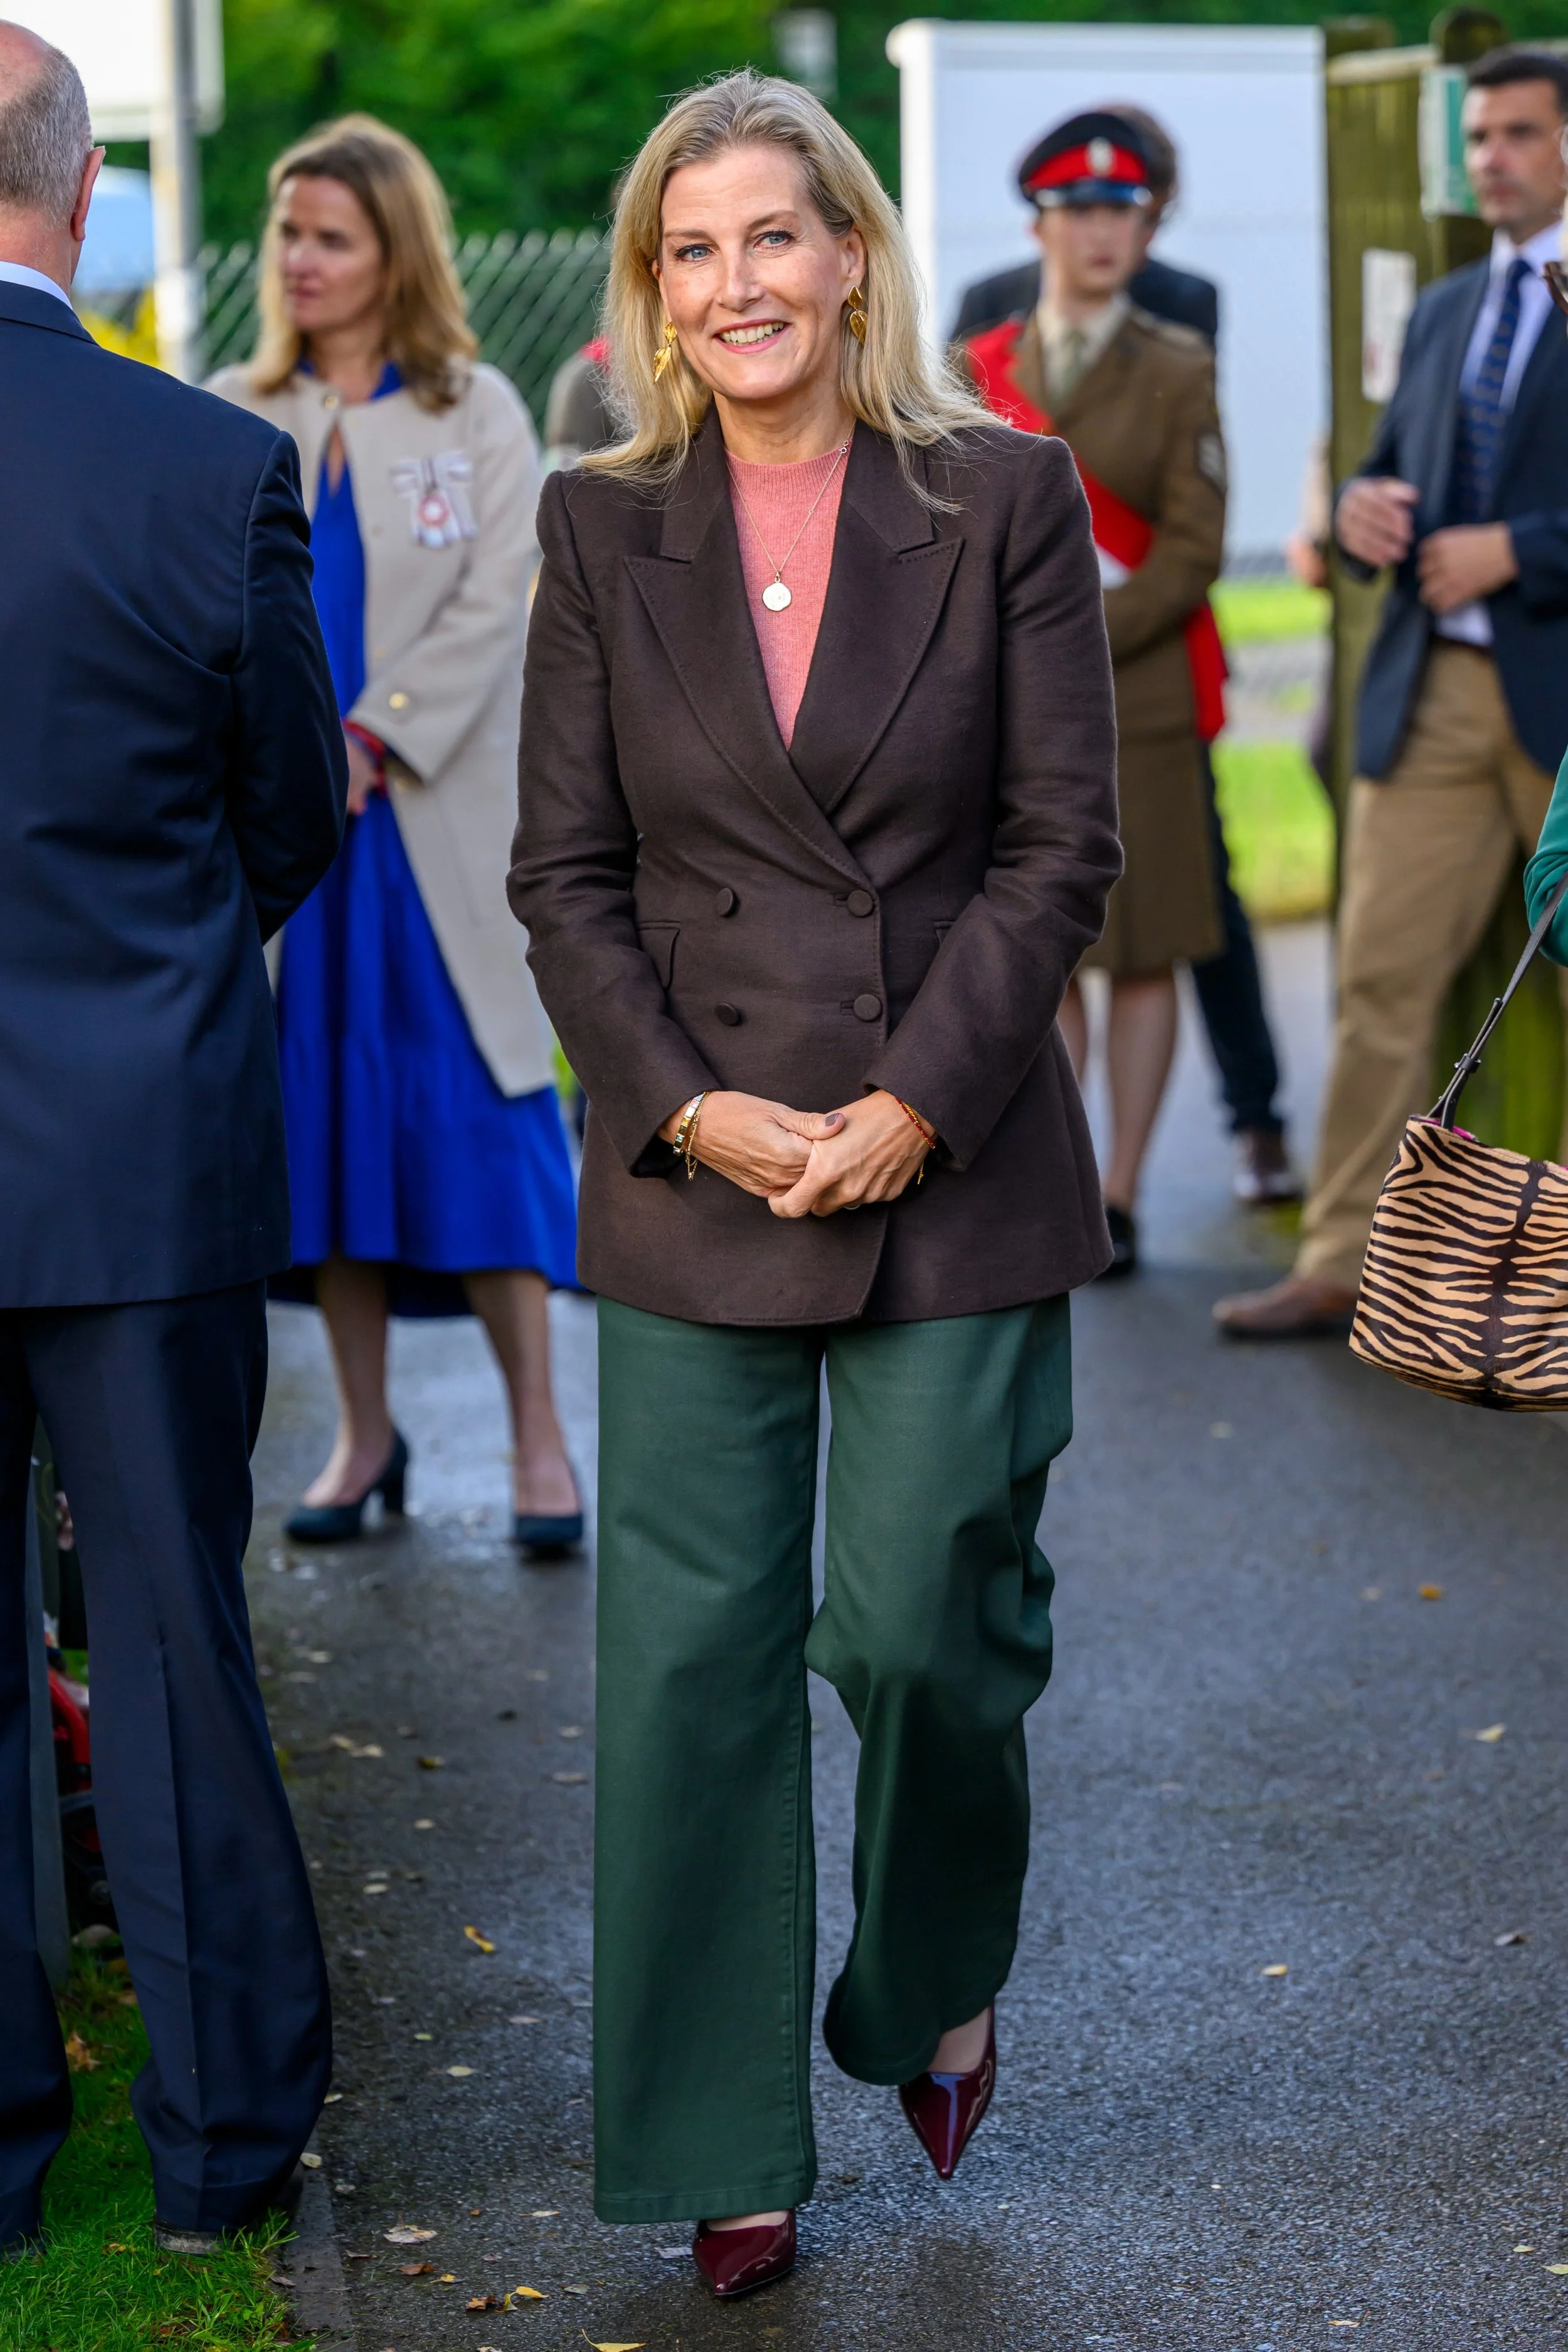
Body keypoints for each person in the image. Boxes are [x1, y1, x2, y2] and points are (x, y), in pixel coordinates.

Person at [509, 67, 1119, 2301]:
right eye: (693, 247)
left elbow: (1068, 844)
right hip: (697, 1172)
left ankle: (926, 1974)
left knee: (921, 1625)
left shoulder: (1006, 497)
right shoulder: (599, 528)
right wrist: (689, 1108)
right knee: (687, 1666)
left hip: (950, 1165)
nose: (737, 280)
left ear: (849, 255)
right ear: (654, 295)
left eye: (775, 233)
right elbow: (565, 881)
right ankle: (716, 2139)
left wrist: (918, 1099)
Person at [0, 24, 345, 2254]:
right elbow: (288, 827)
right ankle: (225, 2154)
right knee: (174, 1639)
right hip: (141, 1146)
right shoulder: (203, 460)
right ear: (88, 185)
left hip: (122, 1135)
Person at [210, 118, 581, 1554]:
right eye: (288, 234)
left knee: (479, 1123)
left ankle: (539, 1444)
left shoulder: (474, 409)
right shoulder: (240, 408)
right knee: (325, 1139)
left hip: (424, 830)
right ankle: (364, 1438)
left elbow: (505, 595)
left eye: (330, 238)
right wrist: (293, 760)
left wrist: (373, 731)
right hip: (294, 850)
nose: (298, 261)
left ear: (394, 256)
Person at [1217, 46, 1568, 1337]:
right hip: (1431, 692)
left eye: (1520, 133)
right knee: (1375, 985)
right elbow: (1379, 464)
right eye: (1477, 135)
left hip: (1560, 706)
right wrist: (1362, 504)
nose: (1491, 157)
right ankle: (1339, 1259)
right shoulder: (1438, 307)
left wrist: (1519, 549)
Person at [953, 103, 1298, 1211]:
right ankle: (1054, 1172)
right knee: (1043, 950)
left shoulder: (1179, 356)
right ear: (1038, 224)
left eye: (1121, 211)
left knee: (1145, 943)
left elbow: (1198, 540)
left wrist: (1060, 638)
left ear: (1147, 229)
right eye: (1076, 211)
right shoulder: (980, 360)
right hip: (1011, 698)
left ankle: (1122, 1188)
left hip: (1138, 688)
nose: (1100, 233)